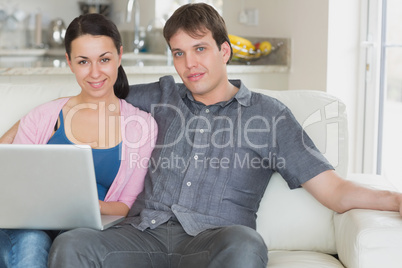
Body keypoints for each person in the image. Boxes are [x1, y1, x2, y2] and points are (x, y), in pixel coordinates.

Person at [1, 3, 401, 268]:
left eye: (200, 49)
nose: (189, 64)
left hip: (216, 239)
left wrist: (396, 199)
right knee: (73, 245)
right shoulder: (160, 96)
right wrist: (30, 125)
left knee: (247, 245)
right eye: (178, 53)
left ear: (225, 51)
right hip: (144, 237)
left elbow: (335, 191)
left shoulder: (270, 116)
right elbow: (92, 88)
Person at [0, 13, 157, 268]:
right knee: (31, 241)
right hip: (25, 227)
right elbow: (13, 187)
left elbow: (129, 206)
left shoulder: (141, 127)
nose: (95, 73)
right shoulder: (42, 117)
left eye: (104, 59)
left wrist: (89, 206)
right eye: (83, 61)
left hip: (86, 230)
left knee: (72, 242)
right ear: (69, 62)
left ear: (119, 55)